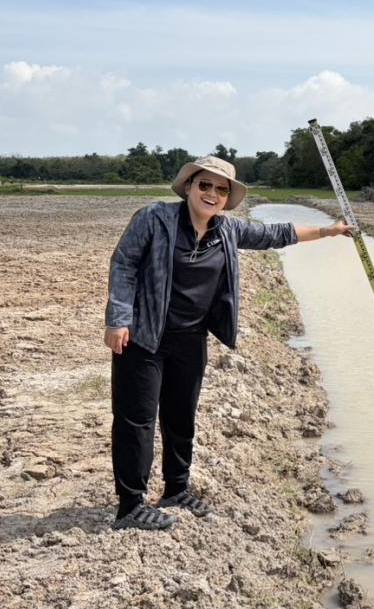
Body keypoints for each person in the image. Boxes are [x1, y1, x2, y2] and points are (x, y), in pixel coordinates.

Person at [103, 155, 352, 531]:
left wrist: (328, 232)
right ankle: (130, 505)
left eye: (221, 189)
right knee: (136, 422)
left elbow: (276, 235)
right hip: (144, 338)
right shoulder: (154, 218)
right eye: (205, 185)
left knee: (180, 416)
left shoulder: (227, 231)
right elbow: (123, 264)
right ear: (189, 187)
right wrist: (118, 319)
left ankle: (176, 488)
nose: (212, 194)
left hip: (190, 340)